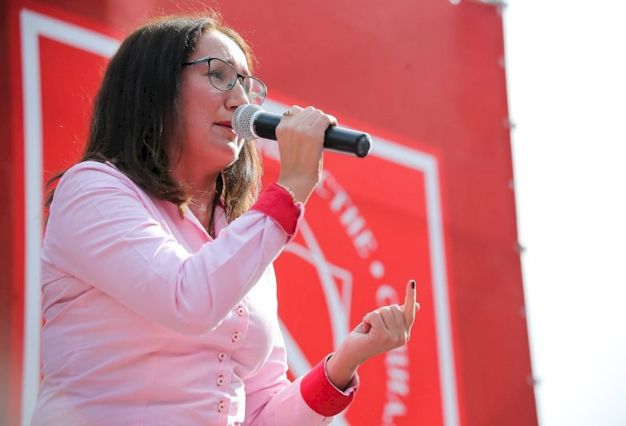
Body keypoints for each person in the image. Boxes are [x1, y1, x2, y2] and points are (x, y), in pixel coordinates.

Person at [32, 12, 419, 426]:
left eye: (246, 85)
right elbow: (186, 299)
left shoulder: (242, 238)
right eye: (218, 75)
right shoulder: (93, 191)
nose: (240, 101)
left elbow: (260, 412)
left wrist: (343, 363)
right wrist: (291, 187)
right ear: (153, 88)